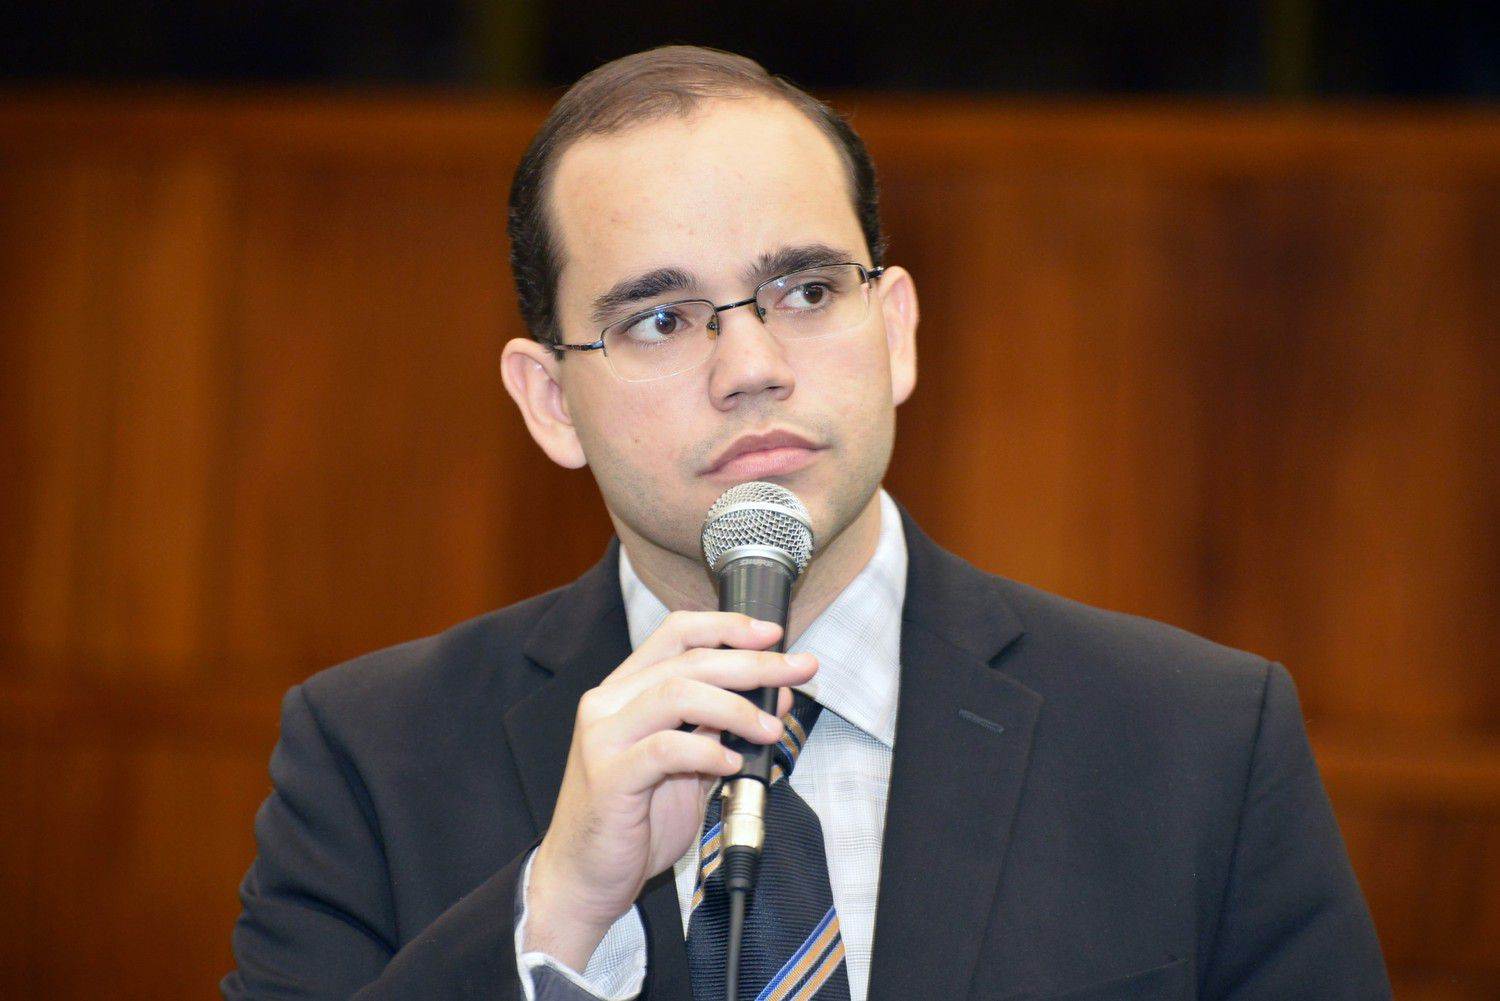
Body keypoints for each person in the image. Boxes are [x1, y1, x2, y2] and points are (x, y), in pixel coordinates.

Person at [224, 45, 1391, 1001]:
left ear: (897, 330)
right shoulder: (371, 758)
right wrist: (557, 912)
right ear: (550, 402)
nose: (753, 365)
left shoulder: (1197, 740)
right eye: (660, 319)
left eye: (809, 291)